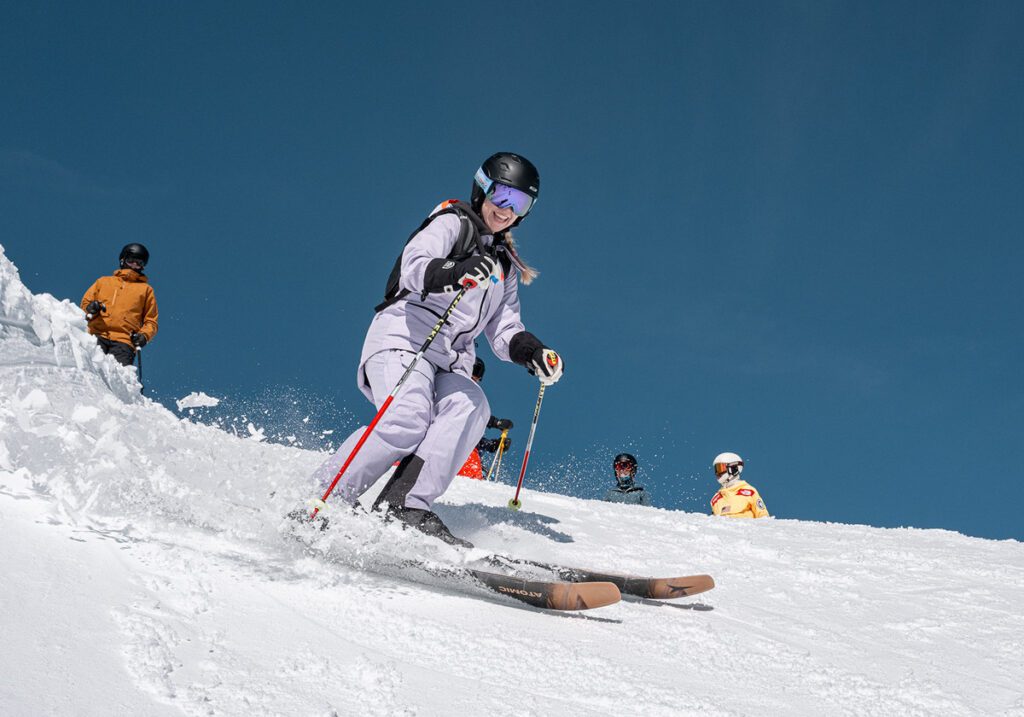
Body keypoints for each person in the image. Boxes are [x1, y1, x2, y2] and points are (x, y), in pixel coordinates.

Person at [309, 152, 563, 547]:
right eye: (502, 196)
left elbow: (504, 328)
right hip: (404, 340)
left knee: (471, 407)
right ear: (482, 188)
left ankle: (405, 505)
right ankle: (323, 496)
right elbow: (415, 264)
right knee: (406, 418)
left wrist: (531, 351)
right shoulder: (452, 222)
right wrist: (454, 272)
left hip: (449, 359)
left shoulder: (504, 267)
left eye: (520, 204)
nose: (507, 210)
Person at [80, 243, 158, 367]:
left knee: (118, 378)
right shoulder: (103, 282)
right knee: (89, 370)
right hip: (96, 335)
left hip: (124, 342)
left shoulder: (145, 290)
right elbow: (85, 304)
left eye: (139, 263)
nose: (134, 265)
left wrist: (144, 336)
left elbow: (151, 321)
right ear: (122, 260)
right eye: (131, 260)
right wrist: (91, 308)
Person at [457, 358, 513, 480]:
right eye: (472, 377)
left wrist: (492, 445)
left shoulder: (471, 397)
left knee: (470, 457)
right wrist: (495, 422)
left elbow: (471, 437)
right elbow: (467, 412)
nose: (473, 382)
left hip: (463, 454)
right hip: (444, 449)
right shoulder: (450, 390)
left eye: (476, 379)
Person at [709, 452, 769, 519]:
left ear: (733, 468)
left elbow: (763, 515)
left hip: (745, 528)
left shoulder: (749, 492)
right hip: (725, 529)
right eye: (716, 470)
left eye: (721, 468)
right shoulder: (716, 498)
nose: (718, 473)